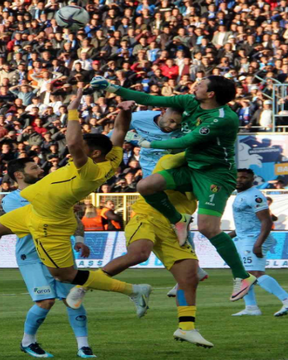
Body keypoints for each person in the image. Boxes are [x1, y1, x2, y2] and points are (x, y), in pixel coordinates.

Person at [0, 91, 152, 318]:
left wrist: (72, 109)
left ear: (94, 152)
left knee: (64, 274)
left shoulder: (90, 170)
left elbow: (71, 141)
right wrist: (124, 111)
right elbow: (120, 131)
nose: (75, 151)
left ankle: (133, 290)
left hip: (51, 220)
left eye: (83, 147)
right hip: (36, 210)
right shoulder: (110, 157)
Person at [91, 75, 256, 301]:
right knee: (146, 185)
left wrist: (144, 142)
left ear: (211, 94)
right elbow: (147, 97)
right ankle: (178, 219)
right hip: (191, 167)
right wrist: (110, 87)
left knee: (209, 228)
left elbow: (183, 142)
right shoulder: (190, 101)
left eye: (201, 85)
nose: (195, 86)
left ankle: (242, 276)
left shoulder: (223, 119)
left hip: (215, 175)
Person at [75, 153, 213, 347]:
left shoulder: (206, 174)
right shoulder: (170, 161)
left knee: (189, 277)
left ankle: (187, 328)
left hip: (175, 227)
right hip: (146, 216)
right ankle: (86, 284)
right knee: (139, 253)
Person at [2, 158, 95, 358]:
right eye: (34, 168)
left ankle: (84, 347)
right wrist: (61, 210)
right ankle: (28, 342)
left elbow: (76, 220)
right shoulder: (11, 199)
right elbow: (30, 222)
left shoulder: (53, 192)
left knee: (73, 299)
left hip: (61, 252)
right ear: (19, 175)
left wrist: (79, 239)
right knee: (46, 301)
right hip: (33, 256)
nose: (40, 169)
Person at [230, 169, 288, 317]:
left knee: (255, 274)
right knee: (242, 274)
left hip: (254, 239)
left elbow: (266, 221)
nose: (239, 180)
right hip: (245, 238)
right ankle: (251, 307)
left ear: (252, 179)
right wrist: (227, 236)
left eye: (244, 177)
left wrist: (258, 243)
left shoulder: (255, 195)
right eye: (237, 177)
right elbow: (246, 223)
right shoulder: (240, 195)